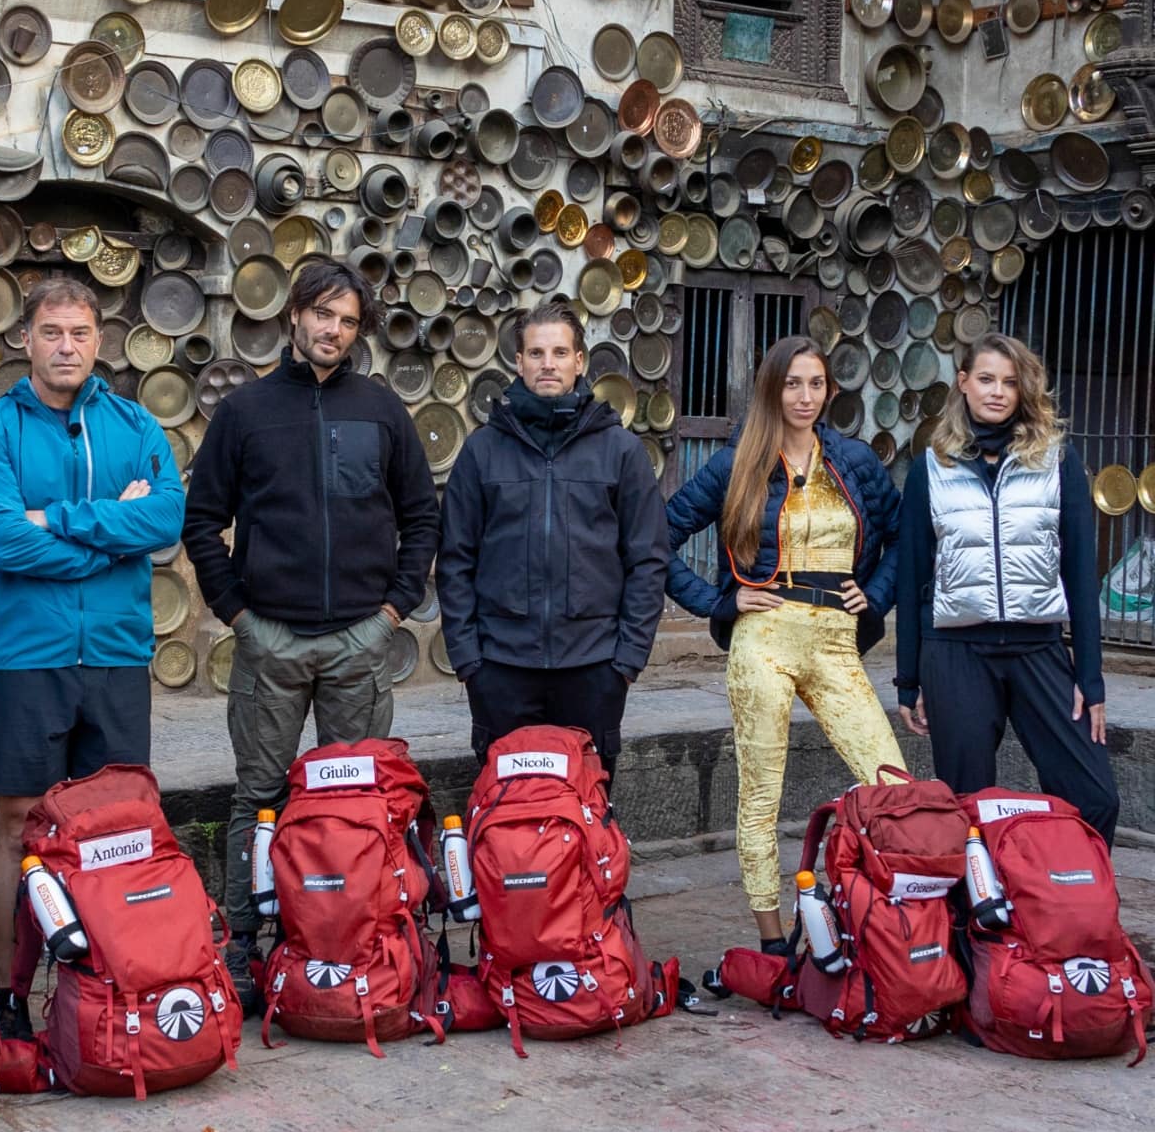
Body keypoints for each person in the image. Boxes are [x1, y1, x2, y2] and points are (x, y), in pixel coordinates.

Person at [182, 258, 439, 1012]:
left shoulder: (382, 411)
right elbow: (203, 521)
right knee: (258, 797)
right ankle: (242, 945)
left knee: (358, 799)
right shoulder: (246, 412)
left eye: (348, 321)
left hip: (360, 640)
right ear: (294, 315)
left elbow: (421, 515)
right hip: (272, 641)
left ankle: (350, 938)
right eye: (323, 314)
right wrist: (238, 616)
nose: (334, 330)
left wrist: (393, 611)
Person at [0, 275, 184, 1038]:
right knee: (18, 824)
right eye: (51, 332)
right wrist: (111, 535)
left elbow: (166, 518)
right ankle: (10, 995)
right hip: (26, 656)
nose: (65, 346)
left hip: (116, 654)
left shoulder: (134, 423)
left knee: (117, 823)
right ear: (25, 338)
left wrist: (55, 519)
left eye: (79, 333)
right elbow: (0, 542)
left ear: (98, 341)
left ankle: (113, 987)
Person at [664, 337, 905, 945]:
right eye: (793, 383)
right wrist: (718, 602)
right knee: (761, 794)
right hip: (764, 637)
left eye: (816, 384)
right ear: (772, 388)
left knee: (893, 783)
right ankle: (772, 940)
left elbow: (905, 536)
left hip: (836, 640)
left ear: (829, 390)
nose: (804, 396)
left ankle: (886, 921)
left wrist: (877, 594)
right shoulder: (738, 461)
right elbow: (657, 535)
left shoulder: (853, 460)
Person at [895, 333, 1118, 844]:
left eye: (1010, 382)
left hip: (1038, 648)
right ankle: (983, 898)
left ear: (1024, 390)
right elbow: (913, 578)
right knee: (968, 811)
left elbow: (1081, 575)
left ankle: (1062, 889)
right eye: (987, 379)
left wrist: (1090, 677)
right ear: (963, 383)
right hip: (956, 654)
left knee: (1095, 796)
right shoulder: (932, 467)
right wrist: (909, 680)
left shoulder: (1057, 462)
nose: (997, 391)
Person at [437, 298, 668, 777]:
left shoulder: (620, 451)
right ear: (518, 362)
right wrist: (468, 661)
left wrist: (626, 661)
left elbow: (647, 560)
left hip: (593, 668)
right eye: (537, 353)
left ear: (579, 361)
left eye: (560, 353)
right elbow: (456, 558)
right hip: (501, 668)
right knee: (506, 802)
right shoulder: (482, 451)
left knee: (586, 802)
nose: (548, 364)